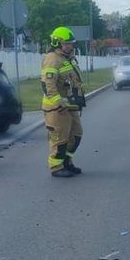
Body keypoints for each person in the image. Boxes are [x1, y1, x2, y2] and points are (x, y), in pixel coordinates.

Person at [40, 26, 85, 178]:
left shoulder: (68, 57)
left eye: (71, 43)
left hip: (70, 106)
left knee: (76, 135)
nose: (70, 46)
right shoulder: (52, 59)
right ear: (57, 42)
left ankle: (67, 162)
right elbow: (48, 86)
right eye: (66, 44)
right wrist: (59, 103)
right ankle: (56, 167)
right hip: (57, 108)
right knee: (59, 138)